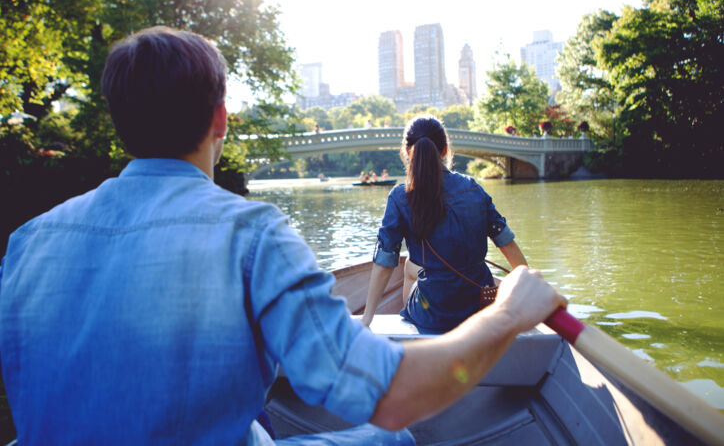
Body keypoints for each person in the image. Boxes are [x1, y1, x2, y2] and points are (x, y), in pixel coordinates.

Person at [0, 27, 565, 445]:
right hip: (451, 322)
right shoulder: (252, 234)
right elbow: (392, 401)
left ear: (120, 123)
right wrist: (509, 314)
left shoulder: (26, 242)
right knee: (394, 438)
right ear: (221, 119)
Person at [362, 115, 530, 333]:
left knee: (410, 267)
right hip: (479, 308)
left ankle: (412, 325)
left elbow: (385, 262)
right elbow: (506, 242)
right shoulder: (473, 188)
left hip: (434, 315)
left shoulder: (400, 197)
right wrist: (532, 290)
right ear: (444, 150)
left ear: (407, 152)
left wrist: (367, 318)